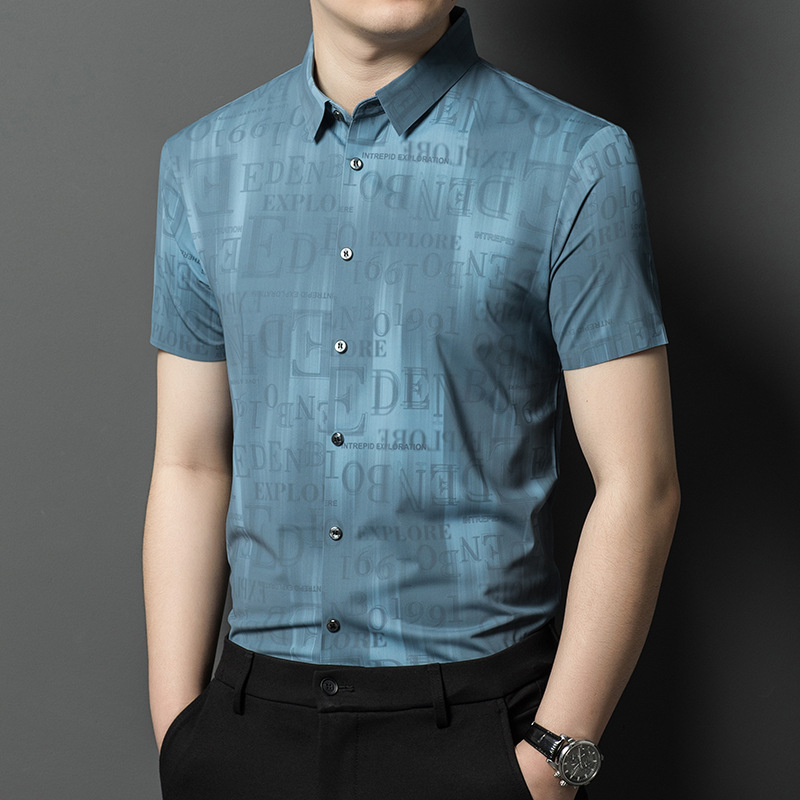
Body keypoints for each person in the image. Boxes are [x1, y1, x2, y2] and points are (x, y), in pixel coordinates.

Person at [143, 2, 680, 798]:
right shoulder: (204, 163)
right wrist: (180, 738)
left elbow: (641, 485)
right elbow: (189, 464)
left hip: (479, 731)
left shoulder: (576, 160)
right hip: (250, 730)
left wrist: (553, 766)